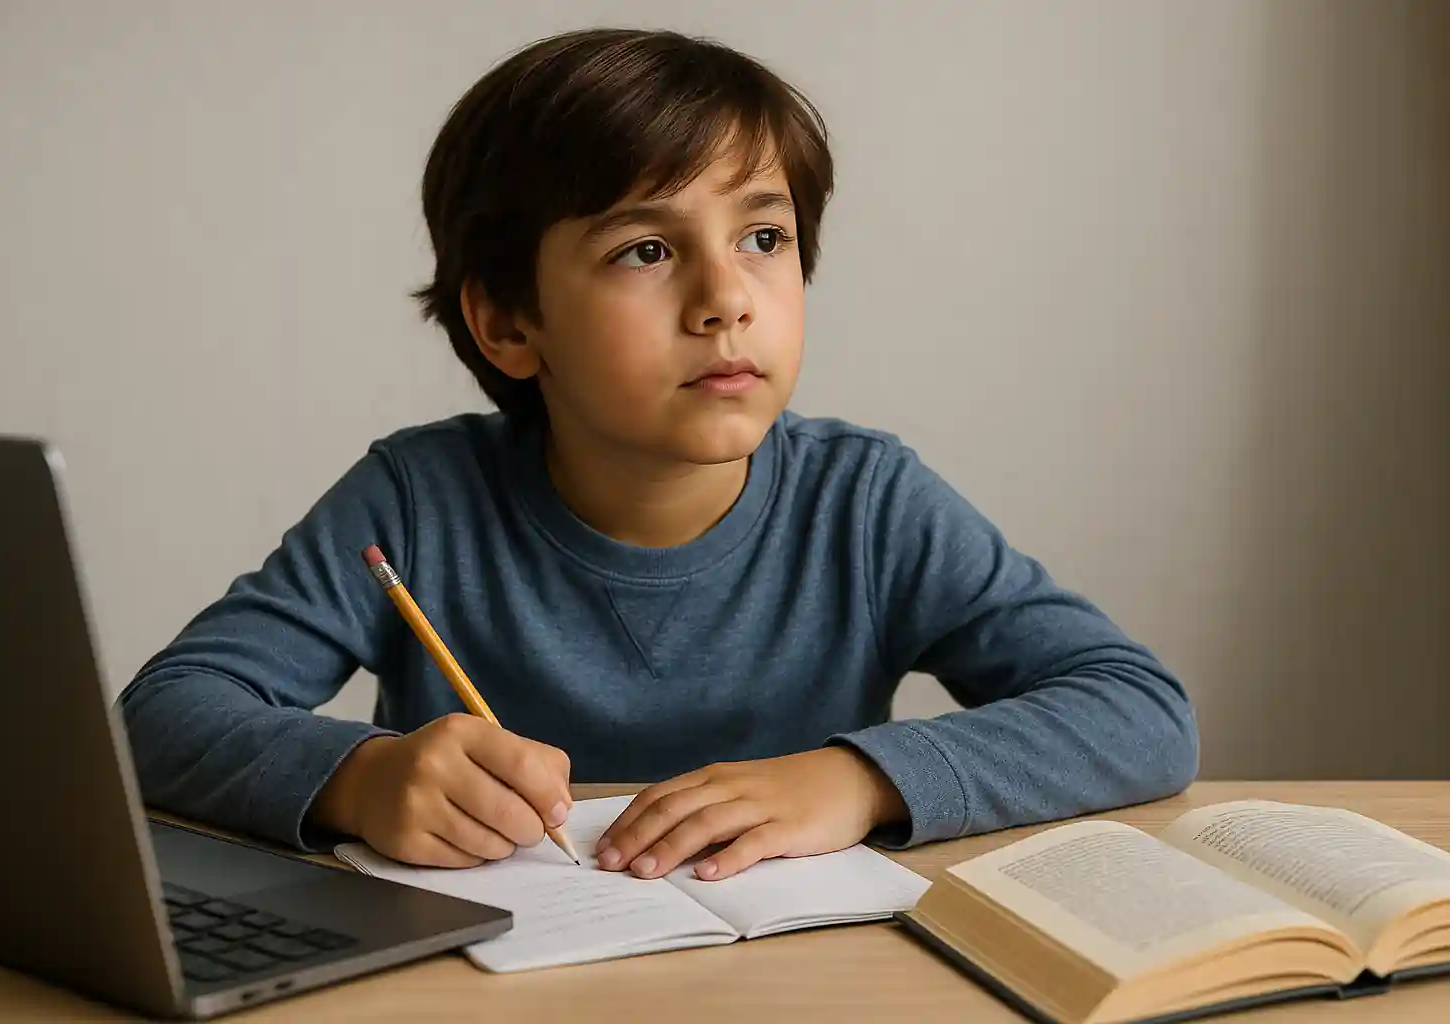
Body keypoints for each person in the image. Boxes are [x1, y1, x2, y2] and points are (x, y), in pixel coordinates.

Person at [117, 27, 1198, 883]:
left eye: (763, 239)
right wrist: (356, 776)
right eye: (646, 249)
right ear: (506, 323)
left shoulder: (867, 502)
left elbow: (1137, 710)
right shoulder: (416, 500)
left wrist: (861, 779)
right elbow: (162, 714)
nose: (726, 299)